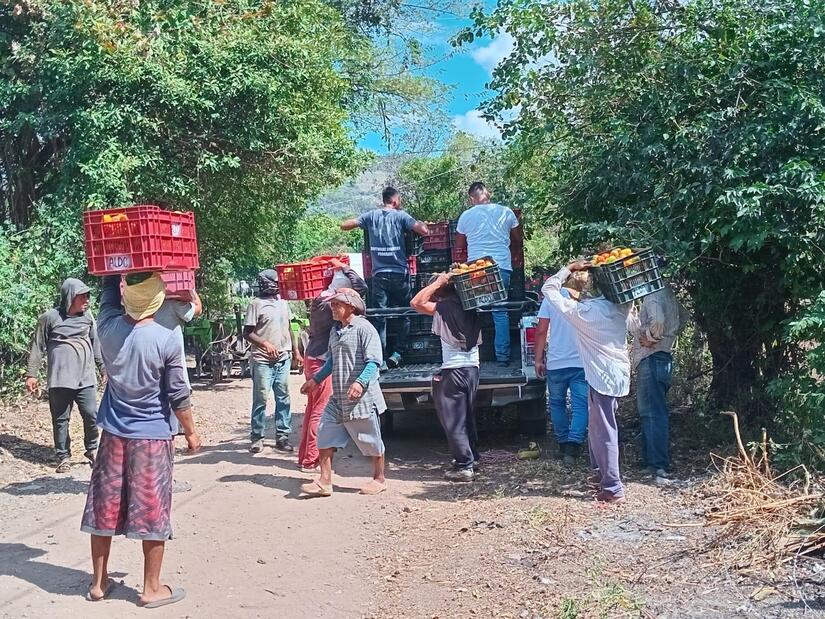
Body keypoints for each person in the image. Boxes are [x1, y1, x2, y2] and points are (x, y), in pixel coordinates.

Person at [81, 272, 202, 607]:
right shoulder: (167, 337)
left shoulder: (107, 328)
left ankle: (98, 584)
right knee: (152, 508)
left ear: (127, 296)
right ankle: (151, 588)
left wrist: (115, 268)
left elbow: (107, 291)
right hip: (152, 438)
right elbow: (178, 394)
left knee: (104, 506)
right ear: (158, 298)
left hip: (113, 435)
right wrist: (191, 433)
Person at [542, 261, 632, 504]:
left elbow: (548, 289)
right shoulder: (619, 306)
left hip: (601, 377)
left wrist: (568, 268)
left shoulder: (584, 313)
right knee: (597, 426)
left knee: (604, 430)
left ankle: (612, 487)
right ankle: (600, 475)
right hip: (617, 374)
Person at [299, 288, 387, 496]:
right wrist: (315, 380)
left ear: (351, 307)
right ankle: (325, 481)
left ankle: (379, 479)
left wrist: (360, 382)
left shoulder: (365, 329)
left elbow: (374, 361)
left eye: (337, 304)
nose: (332, 308)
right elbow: (332, 361)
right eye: (332, 304)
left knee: (371, 440)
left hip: (362, 399)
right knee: (324, 434)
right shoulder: (335, 330)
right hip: (338, 397)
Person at [341, 187, 428, 369]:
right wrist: (420, 223)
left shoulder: (371, 216)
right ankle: (397, 354)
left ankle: (380, 358)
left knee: (380, 316)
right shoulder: (401, 216)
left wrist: (358, 223)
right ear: (395, 201)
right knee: (405, 313)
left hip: (379, 275)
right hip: (399, 274)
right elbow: (423, 231)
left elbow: (345, 225)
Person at [26, 278, 104, 473]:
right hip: (60, 379)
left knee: (91, 415)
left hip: (85, 378)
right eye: (82, 296)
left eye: (88, 295)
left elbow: (96, 345)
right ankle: (63, 456)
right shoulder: (49, 318)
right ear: (70, 297)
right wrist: (31, 374)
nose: (87, 300)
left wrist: (103, 369)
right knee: (60, 420)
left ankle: (92, 449)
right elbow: (37, 347)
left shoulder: (88, 318)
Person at [411, 273, 482, 482]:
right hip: (472, 369)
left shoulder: (443, 308)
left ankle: (464, 466)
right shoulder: (469, 305)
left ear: (438, 292)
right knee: (466, 417)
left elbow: (416, 303)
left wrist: (437, 283)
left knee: (454, 421)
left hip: (454, 369)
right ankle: (472, 458)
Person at [298, 260, 368, 473]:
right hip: (321, 360)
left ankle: (305, 457)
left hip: (313, 357)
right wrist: (344, 267)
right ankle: (312, 460)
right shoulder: (331, 305)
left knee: (312, 409)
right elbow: (362, 287)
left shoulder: (320, 300)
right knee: (319, 412)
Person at [454, 182, 522, 365]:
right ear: (488, 193)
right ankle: (502, 357)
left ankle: (472, 355)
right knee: (500, 311)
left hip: (475, 270)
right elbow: (518, 238)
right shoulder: (506, 212)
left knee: (473, 310)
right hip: (501, 266)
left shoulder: (466, 216)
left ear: (471, 199)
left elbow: (459, 245)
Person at [630, 281, 688, 481]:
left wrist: (652, 338)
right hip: (663, 357)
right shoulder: (668, 292)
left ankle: (656, 464)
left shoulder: (653, 293)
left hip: (651, 357)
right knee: (656, 411)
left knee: (651, 413)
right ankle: (653, 461)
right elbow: (684, 316)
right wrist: (667, 338)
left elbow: (658, 320)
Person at [244, 270, 303, 453]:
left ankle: (282, 437)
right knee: (261, 398)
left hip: (283, 358)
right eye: (276, 282)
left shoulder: (283, 302)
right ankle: (257, 437)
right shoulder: (256, 304)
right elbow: (247, 333)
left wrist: (296, 351)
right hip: (262, 360)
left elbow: (290, 328)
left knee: (283, 397)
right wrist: (265, 344)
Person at [534, 273, 589, 466]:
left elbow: (541, 330)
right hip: (581, 362)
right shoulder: (586, 300)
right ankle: (573, 446)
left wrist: (538, 359)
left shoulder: (552, 298)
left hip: (557, 362)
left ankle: (563, 443)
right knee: (580, 405)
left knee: (557, 404)